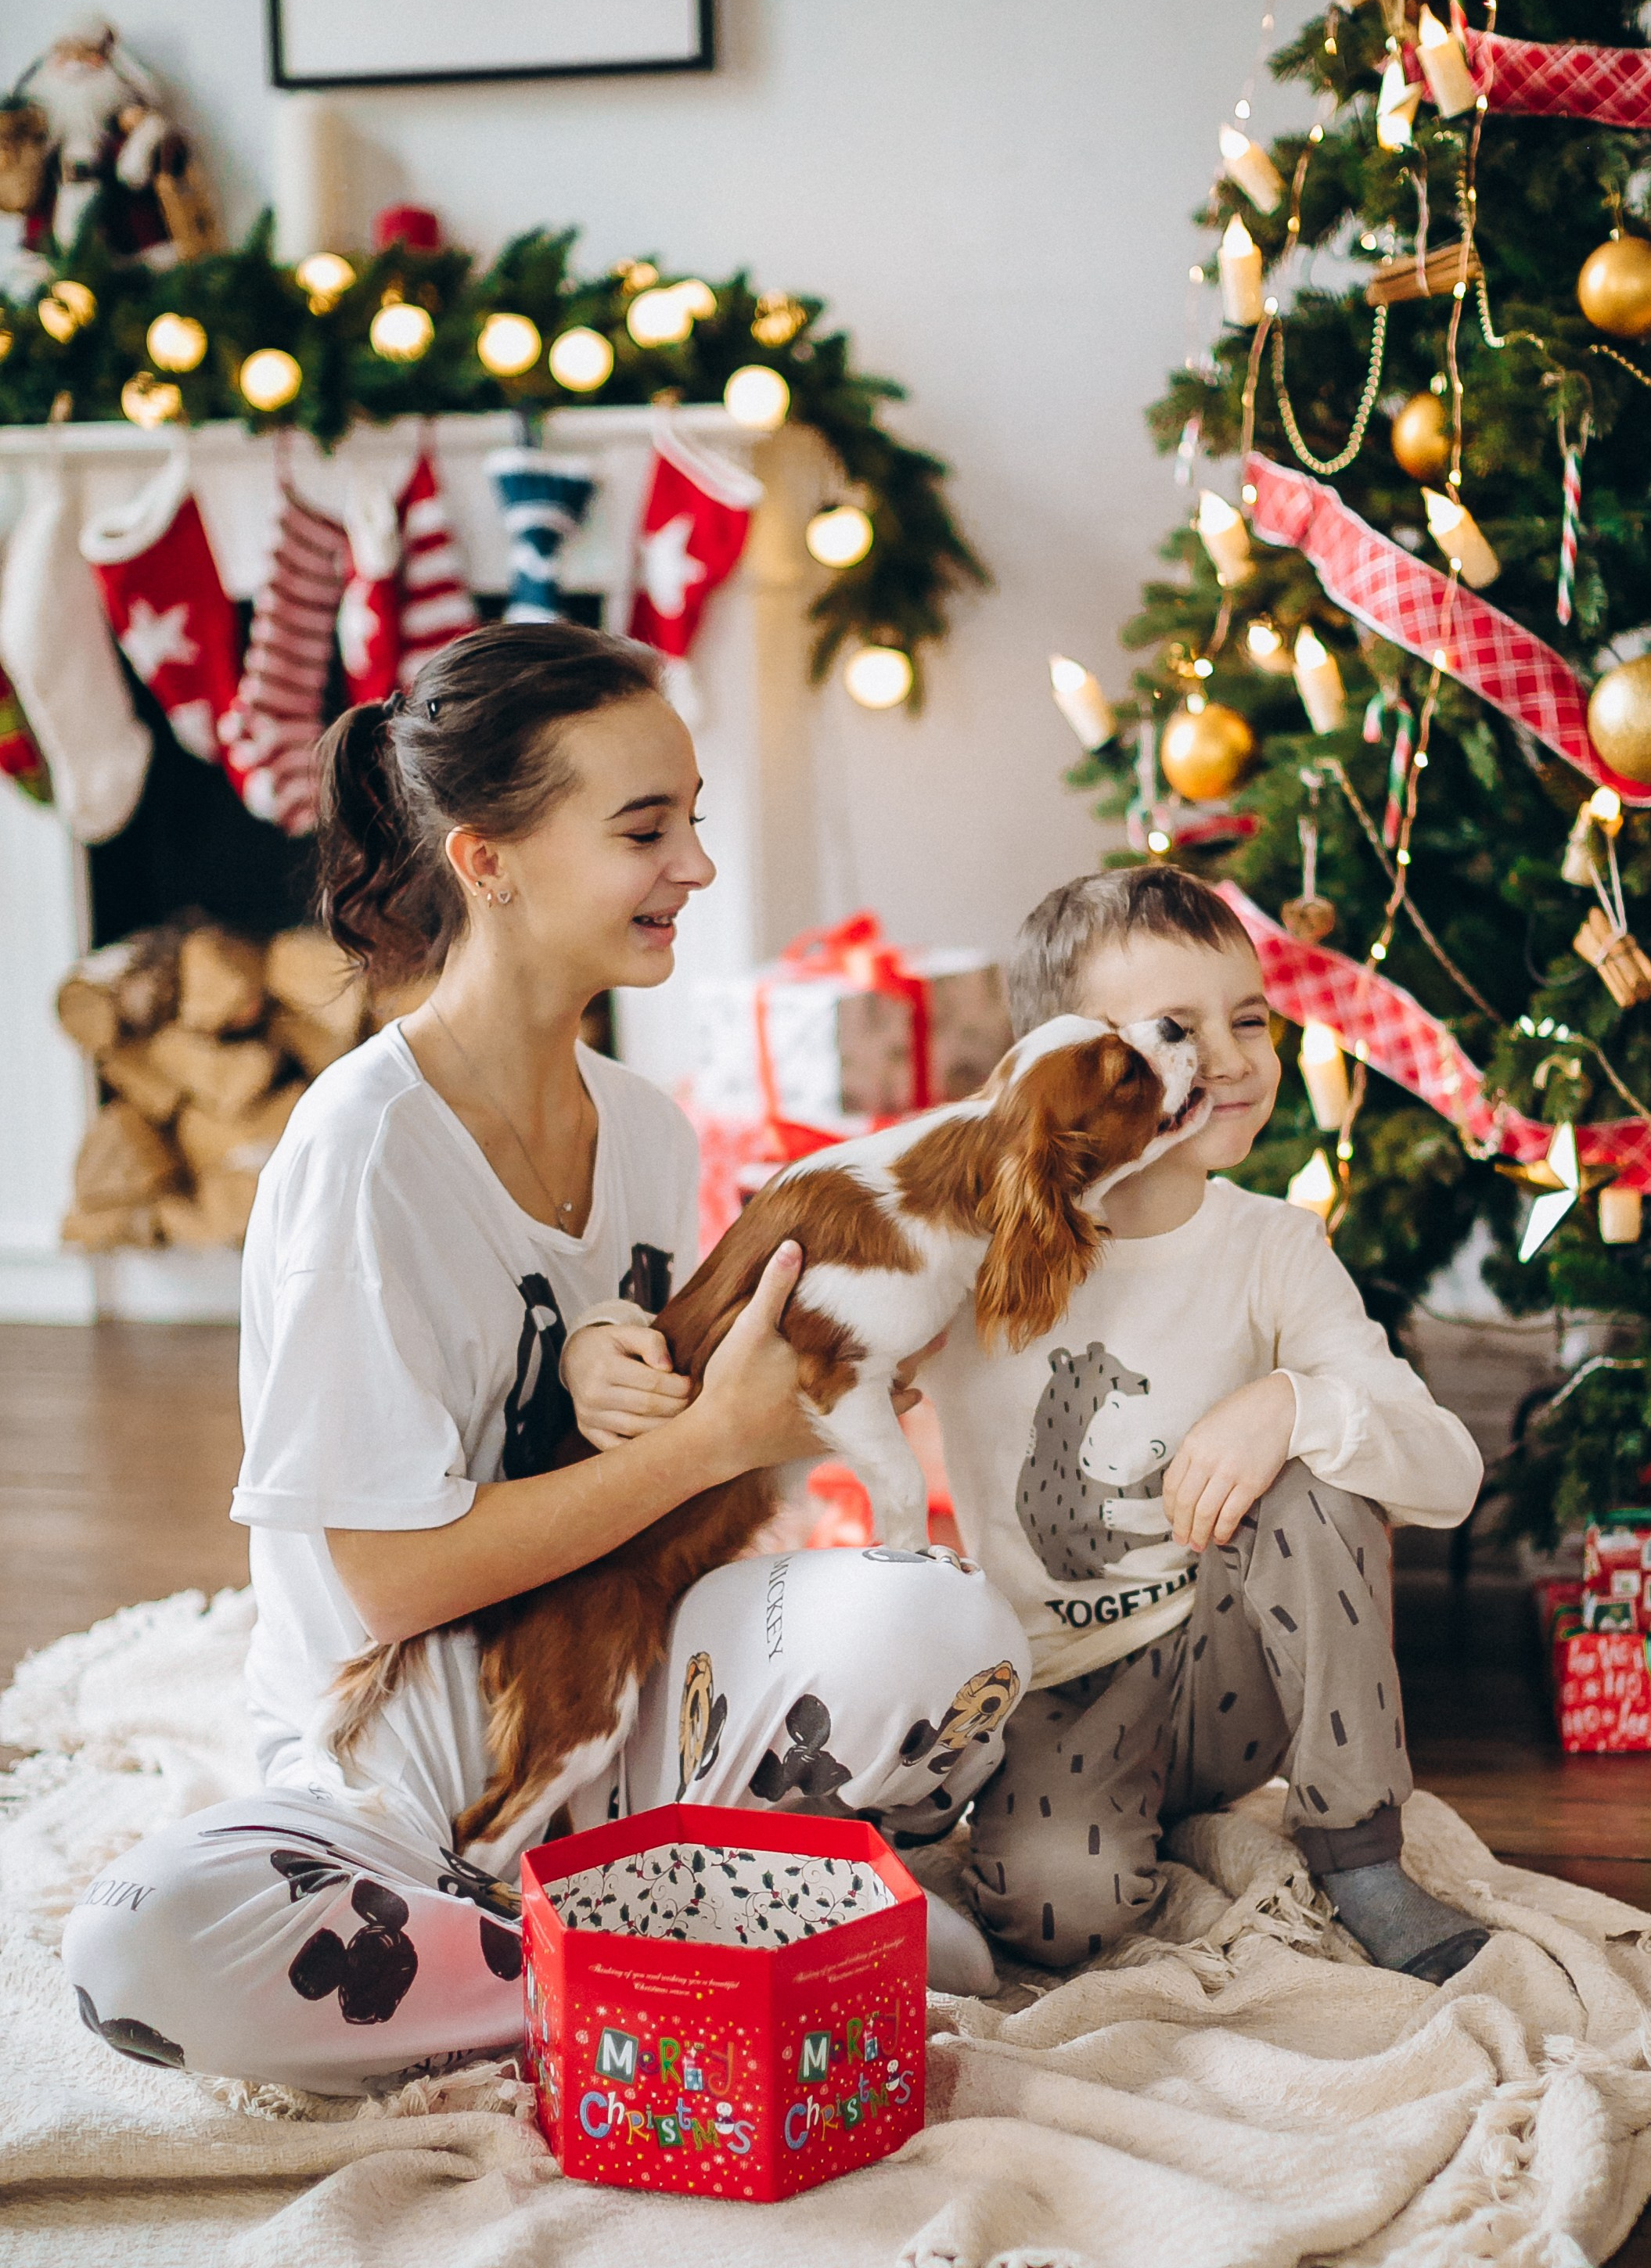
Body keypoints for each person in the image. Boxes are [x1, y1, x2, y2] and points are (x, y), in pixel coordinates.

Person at [62, 623, 1024, 2094]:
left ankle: (614, 1905)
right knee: (142, 1943)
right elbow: (388, 1577)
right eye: (645, 828)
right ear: (486, 859)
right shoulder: (362, 1152)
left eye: (693, 819)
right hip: (395, 1775)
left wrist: (790, 1406)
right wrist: (706, 1442)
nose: (693, 865)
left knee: (948, 1637)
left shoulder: (643, 1130)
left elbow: (675, 1491)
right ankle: (638, 1956)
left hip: (629, 1717)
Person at [913, 864, 1489, 1982]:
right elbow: (800, 1328)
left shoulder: (1274, 1247)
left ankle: (1356, 1847)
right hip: (1062, 1681)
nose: (1228, 1060)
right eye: (1174, 1029)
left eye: (1247, 1020)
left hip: (1238, 1667)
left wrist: (1290, 1404)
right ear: (1069, 1056)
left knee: (1320, 1472)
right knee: (1054, 1911)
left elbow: (1446, 1471)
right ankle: (1104, 1822)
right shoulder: (969, 1248)